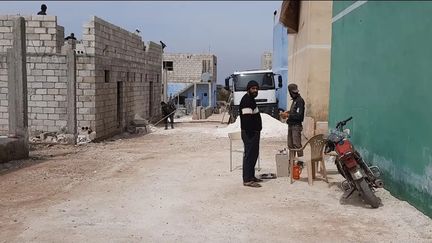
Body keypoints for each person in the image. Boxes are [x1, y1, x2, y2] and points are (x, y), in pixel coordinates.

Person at [239, 80, 263, 187]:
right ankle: (247, 179)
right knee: (249, 155)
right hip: (249, 133)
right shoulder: (246, 100)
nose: (255, 90)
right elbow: (247, 120)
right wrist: (252, 133)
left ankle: (251, 176)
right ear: (248, 89)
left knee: (254, 155)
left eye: (256, 88)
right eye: (253, 88)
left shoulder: (252, 100)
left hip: (254, 133)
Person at [281, 83, 305, 162]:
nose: (294, 94)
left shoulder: (300, 101)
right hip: (291, 125)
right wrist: (287, 112)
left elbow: (299, 116)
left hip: (296, 126)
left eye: (295, 92)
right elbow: (293, 112)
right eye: (292, 92)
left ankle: (300, 161)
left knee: (297, 144)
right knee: (290, 145)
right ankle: (291, 161)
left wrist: (288, 115)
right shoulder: (294, 101)